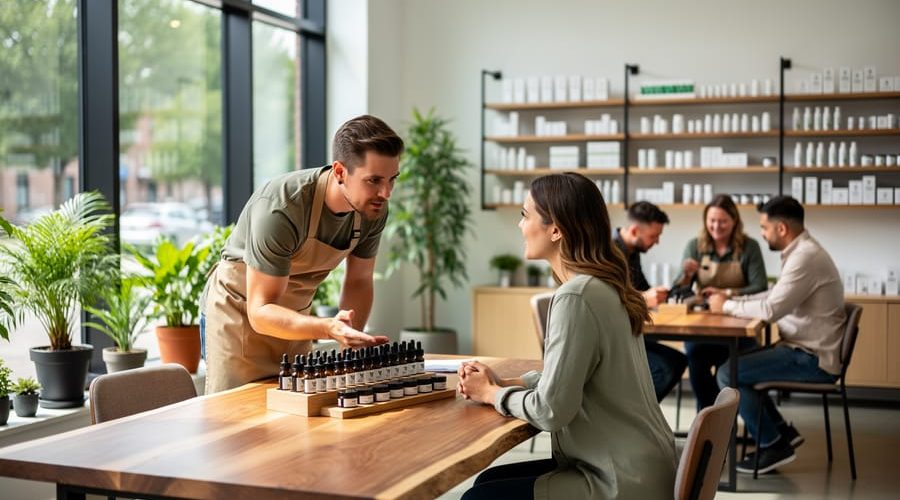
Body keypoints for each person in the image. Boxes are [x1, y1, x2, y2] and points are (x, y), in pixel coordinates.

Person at [458, 173, 676, 499]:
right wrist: (505, 384)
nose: (520, 226)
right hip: (642, 467)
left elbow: (550, 410)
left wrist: (491, 395)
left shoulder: (577, 296)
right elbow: (570, 381)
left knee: (479, 497)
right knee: (485, 484)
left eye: (525, 215)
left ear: (556, 230)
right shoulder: (603, 286)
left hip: (619, 481)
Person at [201, 115, 401, 394]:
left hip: (294, 321)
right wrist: (327, 328)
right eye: (374, 180)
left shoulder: (372, 209)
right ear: (340, 172)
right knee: (236, 426)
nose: (386, 192)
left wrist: (349, 340)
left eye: (392, 179)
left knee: (295, 419)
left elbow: (359, 280)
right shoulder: (282, 207)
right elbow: (259, 312)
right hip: (240, 318)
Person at [709, 195, 845, 474]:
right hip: (803, 349)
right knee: (738, 363)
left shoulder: (805, 256)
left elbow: (770, 310)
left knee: (727, 373)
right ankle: (781, 432)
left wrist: (727, 306)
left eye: (764, 227)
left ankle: (773, 444)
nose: (761, 233)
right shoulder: (802, 251)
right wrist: (732, 299)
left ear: (781, 228)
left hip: (810, 358)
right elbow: (774, 294)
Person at [672, 194, 767, 411]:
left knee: (735, 366)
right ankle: (708, 419)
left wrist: (726, 294)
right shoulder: (695, 246)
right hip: (704, 328)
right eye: (712, 220)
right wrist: (685, 277)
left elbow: (760, 287)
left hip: (738, 328)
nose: (716, 226)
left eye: (723, 221)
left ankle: (725, 419)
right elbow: (677, 291)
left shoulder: (749, 247)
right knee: (695, 357)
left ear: (734, 220)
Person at [613, 201, 688, 402]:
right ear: (636, 230)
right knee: (664, 368)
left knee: (679, 360)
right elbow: (604, 301)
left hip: (631, 333)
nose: (657, 242)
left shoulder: (633, 251)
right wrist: (644, 299)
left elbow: (642, 289)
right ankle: (633, 419)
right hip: (613, 340)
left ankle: (642, 416)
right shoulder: (607, 252)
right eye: (654, 236)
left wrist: (654, 294)